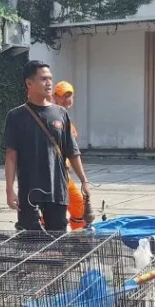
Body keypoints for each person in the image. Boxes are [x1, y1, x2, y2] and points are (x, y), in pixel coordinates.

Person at [3, 61, 92, 231]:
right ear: (29, 83)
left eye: (50, 78)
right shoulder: (16, 116)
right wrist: (9, 190)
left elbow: (72, 152)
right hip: (29, 192)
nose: (49, 83)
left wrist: (84, 181)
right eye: (43, 79)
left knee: (57, 241)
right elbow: (11, 156)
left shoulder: (60, 113)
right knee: (31, 243)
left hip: (57, 190)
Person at [52, 80, 88, 229]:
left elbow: (72, 151)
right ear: (55, 97)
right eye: (63, 96)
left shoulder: (65, 118)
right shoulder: (52, 117)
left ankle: (78, 237)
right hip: (52, 173)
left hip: (64, 173)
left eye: (70, 96)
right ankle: (44, 239)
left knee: (78, 204)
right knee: (55, 209)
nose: (67, 99)